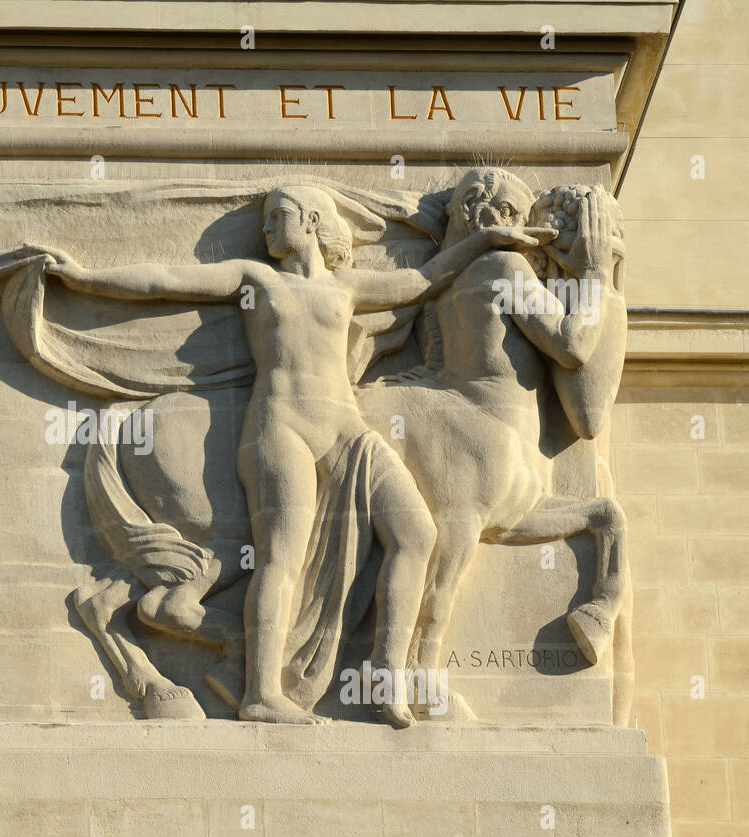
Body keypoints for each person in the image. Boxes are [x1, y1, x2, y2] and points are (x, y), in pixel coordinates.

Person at [28, 185, 551, 725]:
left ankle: (386, 679)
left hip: (346, 430)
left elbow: (422, 279)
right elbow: (166, 279)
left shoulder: (348, 287)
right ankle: (260, 694)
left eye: (279, 217)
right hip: (282, 428)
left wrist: (486, 239)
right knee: (280, 558)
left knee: (417, 533)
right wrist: (84, 277)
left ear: (313, 221)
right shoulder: (258, 280)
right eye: (266, 220)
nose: (268, 229)